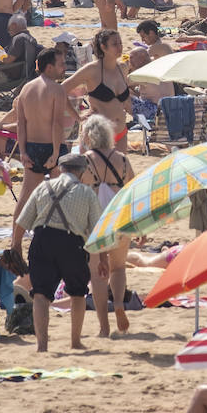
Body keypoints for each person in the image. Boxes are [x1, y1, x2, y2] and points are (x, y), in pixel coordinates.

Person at [12, 152, 103, 352]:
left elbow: (22, 221)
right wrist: (102, 258)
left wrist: (16, 245)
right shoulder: (87, 193)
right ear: (82, 172)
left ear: (61, 169)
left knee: (41, 295)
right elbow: (97, 232)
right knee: (78, 293)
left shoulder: (43, 187)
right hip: (72, 244)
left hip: (42, 240)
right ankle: (75, 341)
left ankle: (42, 345)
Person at [81, 113, 136, 336]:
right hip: (120, 218)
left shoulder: (85, 160)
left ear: (89, 136)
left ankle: (104, 327)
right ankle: (120, 305)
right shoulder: (122, 159)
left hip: (95, 222)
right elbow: (134, 190)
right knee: (119, 267)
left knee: (97, 274)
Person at [14, 45, 75, 221]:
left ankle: (15, 240)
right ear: (49, 67)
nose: (64, 68)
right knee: (63, 195)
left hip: (32, 147)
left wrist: (23, 152)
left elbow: (21, 124)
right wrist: (56, 153)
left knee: (25, 196)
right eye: (61, 64)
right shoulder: (56, 89)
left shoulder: (26, 89)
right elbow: (57, 123)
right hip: (53, 146)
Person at [64, 30, 133, 151]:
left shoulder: (123, 68)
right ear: (103, 47)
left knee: (119, 168)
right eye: (115, 44)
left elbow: (124, 101)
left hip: (121, 131)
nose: (120, 47)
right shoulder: (92, 70)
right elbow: (61, 89)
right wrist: (76, 116)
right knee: (92, 168)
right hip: (97, 132)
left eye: (120, 43)